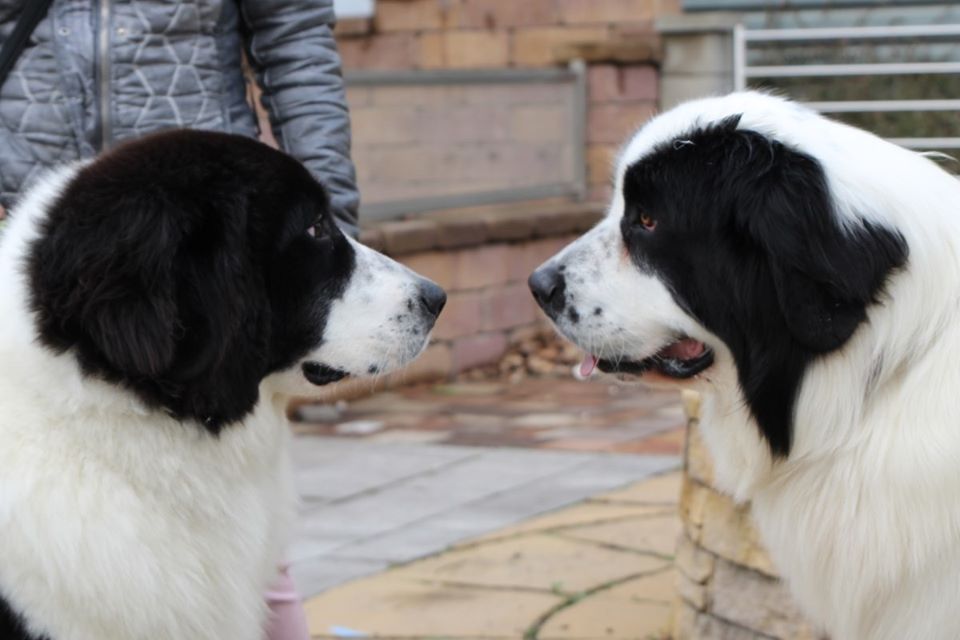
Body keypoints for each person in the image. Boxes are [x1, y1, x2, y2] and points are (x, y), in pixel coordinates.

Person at [0, 1, 362, 638]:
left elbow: (293, 30)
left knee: (240, 541)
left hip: (208, 248)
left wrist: (325, 234)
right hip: (31, 239)